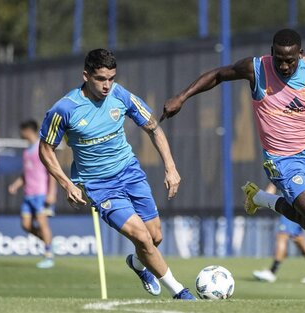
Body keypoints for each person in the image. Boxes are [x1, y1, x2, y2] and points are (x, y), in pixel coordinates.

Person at [161, 29, 305, 300]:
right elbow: (218, 75)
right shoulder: (256, 69)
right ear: (272, 52)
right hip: (280, 160)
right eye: (279, 58)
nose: (284, 65)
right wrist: (181, 97)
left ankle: (261, 198)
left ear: (300, 55)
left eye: (290, 60)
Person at [38, 49, 195, 300]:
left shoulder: (120, 95)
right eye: (101, 79)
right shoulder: (64, 109)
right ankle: (181, 292)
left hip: (130, 173)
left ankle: (137, 263)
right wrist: (67, 184)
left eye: (111, 78)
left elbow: (153, 128)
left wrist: (171, 166)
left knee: (155, 237)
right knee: (141, 236)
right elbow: (45, 150)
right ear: (86, 76)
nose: (107, 85)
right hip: (99, 186)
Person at [252, 183, 305, 283]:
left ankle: (272, 272)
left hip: (290, 207)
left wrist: (258, 199)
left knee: (282, 236)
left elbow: (270, 191)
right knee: (298, 238)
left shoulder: (280, 169)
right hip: (299, 205)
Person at [8, 119, 57, 269]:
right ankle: (49, 243)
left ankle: (48, 256)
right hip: (28, 194)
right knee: (26, 225)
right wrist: (16, 185)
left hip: (41, 194)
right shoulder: (26, 151)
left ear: (28, 131)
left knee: (42, 224)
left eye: (22, 131)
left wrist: (51, 193)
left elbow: (52, 171)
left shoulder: (41, 148)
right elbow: (26, 173)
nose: (21, 134)